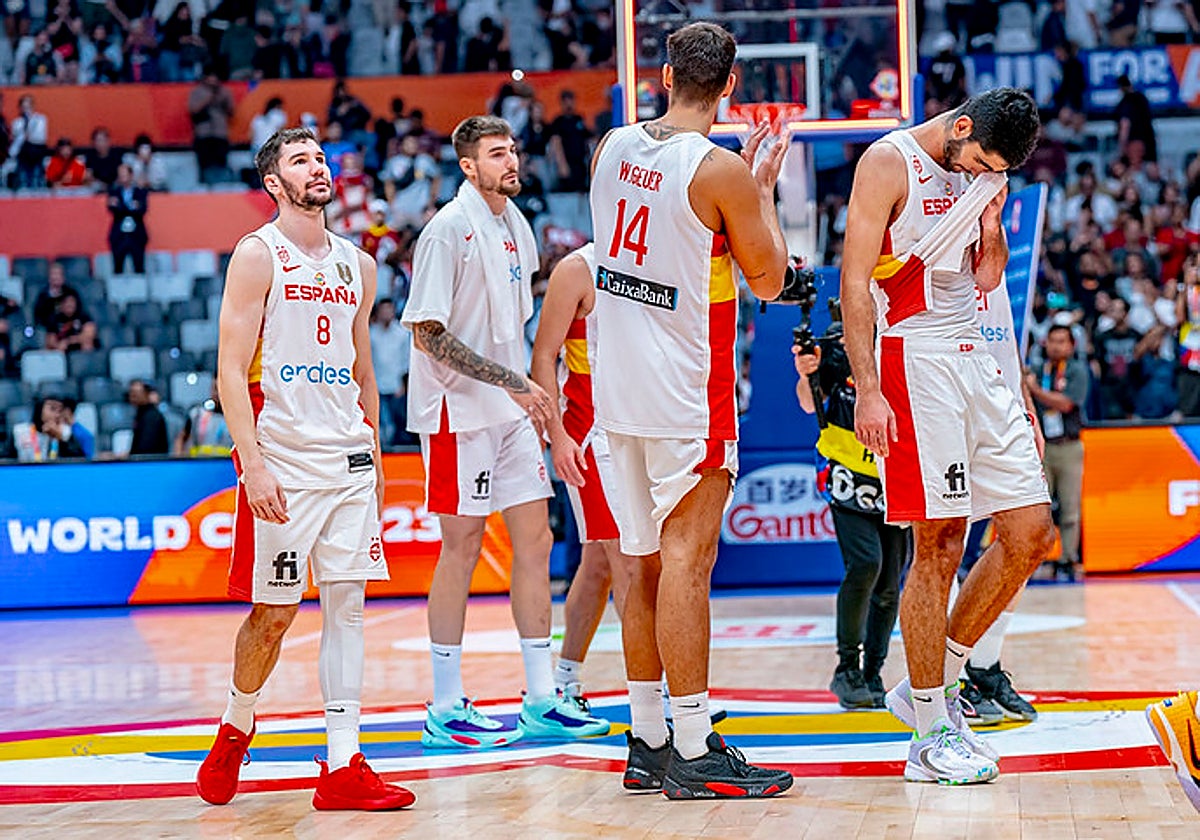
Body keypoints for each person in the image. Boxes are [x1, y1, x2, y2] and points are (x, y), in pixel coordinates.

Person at [589, 21, 793, 799]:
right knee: (687, 562)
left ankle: (646, 741)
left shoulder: (610, 146)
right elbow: (769, 282)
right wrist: (764, 187)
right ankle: (695, 743)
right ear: (731, 86)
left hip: (615, 388)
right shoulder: (722, 171)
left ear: (663, 74)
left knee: (639, 565)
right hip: (685, 390)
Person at [195, 126, 414, 811]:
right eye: (300, 160)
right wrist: (251, 464)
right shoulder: (258, 256)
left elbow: (363, 368)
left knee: (348, 604)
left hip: (347, 455)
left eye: (320, 157)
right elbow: (229, 370)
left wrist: (373, 448)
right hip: (283, 460)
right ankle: (236, 723)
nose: (317, 167)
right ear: (274, 183)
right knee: (274, 614)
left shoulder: (360, 264)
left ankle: (343, 764)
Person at [841, 87, 1055, 785]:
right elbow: (852, 285)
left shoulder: (982, 175)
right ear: (959, 127)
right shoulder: (887, 162)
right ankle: (930, 734)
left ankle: (933, 681)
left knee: (1030, 530)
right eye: (980, 160)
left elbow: (989, 277)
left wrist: (991, 221)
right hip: (913, 355)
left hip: (973, 352)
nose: (980, 173)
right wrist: (867, 389)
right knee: (937, 542)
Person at [401, 115, 608, 750]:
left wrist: (521, 389)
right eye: (497, 153)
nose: (511, 160)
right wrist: (510, 381)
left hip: (510, 409)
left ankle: (543, 697)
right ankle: (444, 703)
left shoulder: (515, 224)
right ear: (468, 166)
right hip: (455, 411)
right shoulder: (446, 232)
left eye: (513, 149)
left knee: (537, 540)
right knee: (460, 549)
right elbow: (427, 333)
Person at [529, 242, 633, 711]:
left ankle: (565, 683)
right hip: (592, 437)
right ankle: (656, 696)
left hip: (642, 429)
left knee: (599, 565)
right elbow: (543, 357)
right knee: (631, 563)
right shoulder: (577, 269)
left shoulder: (652, 257)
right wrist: (557, 435)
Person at [793, 315, 910, 710]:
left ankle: (873, 673)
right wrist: (807, 371)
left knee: (890, 583)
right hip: (846, 478)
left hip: (894, 477)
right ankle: (847, 668)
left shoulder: (901, 347)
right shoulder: (835, 352)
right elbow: (808, 402)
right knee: (866, 563)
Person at [1025, 324, 1089, 582]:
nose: (1056, 346)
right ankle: (1036, 558)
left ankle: (1067, 560)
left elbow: (1066, 403)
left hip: (1069, 446)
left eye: (1062, 341)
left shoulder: (1077, 370)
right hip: (1042, 447)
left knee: (1070, 508)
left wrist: (1035, 390)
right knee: (1039, 508)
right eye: (1052, 341)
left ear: (1071, 345)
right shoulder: (1038, 369)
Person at [368, 298, 411, 447]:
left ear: (394, 311)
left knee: (397, 422)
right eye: (383, 310)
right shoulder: (370, 334)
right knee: (382, 423)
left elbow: (406, 361)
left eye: (389, 309)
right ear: (378, 312)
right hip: (377, 385)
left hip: (396, 385)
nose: (386, 313)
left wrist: (403, 384)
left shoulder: (403, 334)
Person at [108, 164, 149, 275]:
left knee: (139, 268)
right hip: (119, 235)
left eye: (125, 175)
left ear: (131, 175)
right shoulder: (114, 192)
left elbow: (142, 210)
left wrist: (122, 206)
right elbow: (112, 209)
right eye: (120, 175)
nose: (123, 178)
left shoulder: (140, 192)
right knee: (117, 268)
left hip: (137, 235)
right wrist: (130, 207)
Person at [174, 382, 233, 456]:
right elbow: (181, 438)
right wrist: (179, 461)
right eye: (215, 388)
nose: (217, 393)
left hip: (227, 464)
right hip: (199, 464)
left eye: (221, 388)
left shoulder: (237, 417)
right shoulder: (197, 414)